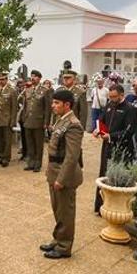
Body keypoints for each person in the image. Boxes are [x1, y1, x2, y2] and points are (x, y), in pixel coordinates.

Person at [40, 90, 84, 259]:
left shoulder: (73, 124)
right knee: (58, 210)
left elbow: (72, 156)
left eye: (57, 103)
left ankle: (64, 246)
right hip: (55, 171)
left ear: (67, 105)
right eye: (53, 102)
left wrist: (61, 179)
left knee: (65, 212)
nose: (53, 105)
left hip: (64, 176)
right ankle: (58, 239)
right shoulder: (61, 120)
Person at [92, 84, 137, 213]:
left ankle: (114, 208)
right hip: (107, 146)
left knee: (115, 176)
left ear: (122, 95)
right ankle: (100, 206)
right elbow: (102, 120)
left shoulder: (130, 109)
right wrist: (97, 129)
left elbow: (129, 131)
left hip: (121, 149)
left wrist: (111, 136)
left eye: (114, 97)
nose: (112, 99)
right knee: (103, 173)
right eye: (110, 97)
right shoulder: (109, 105)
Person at [20, 70, 52, 172]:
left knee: (38, 144)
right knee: (29, 143)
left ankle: (38, 163)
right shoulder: (27, 90)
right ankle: (31, 162)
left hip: (39, 121)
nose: (32, 78)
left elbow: (47, 108)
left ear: (39, 78)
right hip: (28, 121)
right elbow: (25, 105)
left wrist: (46, 122)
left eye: (35, 77)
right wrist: (23, 118)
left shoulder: (45, 90)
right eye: (31, 76)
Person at [0, 72, 18, 166]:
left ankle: (6, 158)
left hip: (7, 119)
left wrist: (13, 121)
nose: (0, 81)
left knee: (7, 140)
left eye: (2, 79)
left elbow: (14, 107)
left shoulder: (12, 90)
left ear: (6, 79)